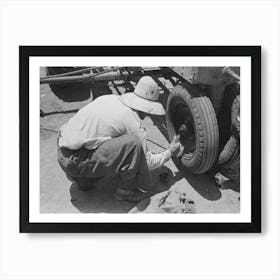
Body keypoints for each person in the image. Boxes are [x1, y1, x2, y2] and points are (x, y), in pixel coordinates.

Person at [57, 76, 181, 202]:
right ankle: (124, 191)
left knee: (113, 140)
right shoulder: (133, 122)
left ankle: (82, 178)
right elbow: (147, 163)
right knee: (133, 145)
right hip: (75, 161)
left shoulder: (109, 98)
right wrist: (169, 152)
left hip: (62, 149)